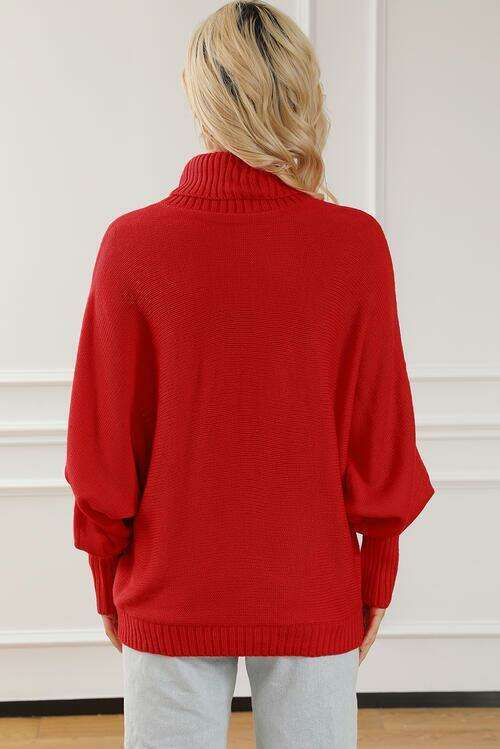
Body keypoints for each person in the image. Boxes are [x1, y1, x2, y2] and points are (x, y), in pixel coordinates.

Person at [65, 2, 434, 747]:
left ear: (195, 94)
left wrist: (107, 578)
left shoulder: (133, 245)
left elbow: (102, 446)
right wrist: (377, 572)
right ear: (300, 91)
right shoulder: (355, 244)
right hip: (313, 585)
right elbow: (383, 436)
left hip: (168, 585)